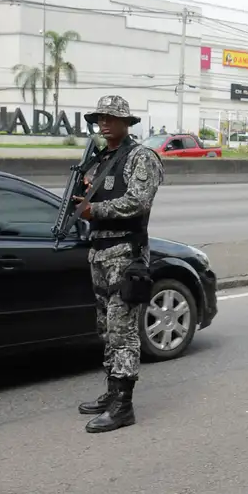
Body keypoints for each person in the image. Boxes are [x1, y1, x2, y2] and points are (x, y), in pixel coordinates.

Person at [73, 95, 165, 434]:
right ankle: (112, 393)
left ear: (127, 122)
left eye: (112, 117)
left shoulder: (141, 158)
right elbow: (93, 198)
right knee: (105, 328)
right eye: (101, 117)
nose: (105, 122)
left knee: (123, 331)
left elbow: (138, 202)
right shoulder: (100, 160)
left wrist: (92, 210)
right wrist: (83, 196)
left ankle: (123, 406)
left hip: (126, 255)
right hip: (99, 253)